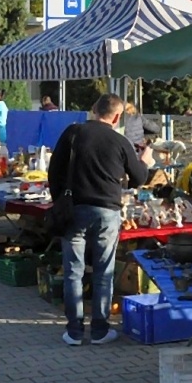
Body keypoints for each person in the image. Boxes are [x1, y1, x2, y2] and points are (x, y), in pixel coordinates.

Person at [48, 93, 152, 346]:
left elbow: (54, 170)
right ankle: (99, 330)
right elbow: (139, 179)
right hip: (107, 211)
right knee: (103, 272)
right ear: (116, 117)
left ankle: (74, 331)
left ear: (93, 109)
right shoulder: (120, 140)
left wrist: (60, 199)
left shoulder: (72, 133)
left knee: (73, 270)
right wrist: (145, 161)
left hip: (74, 209)